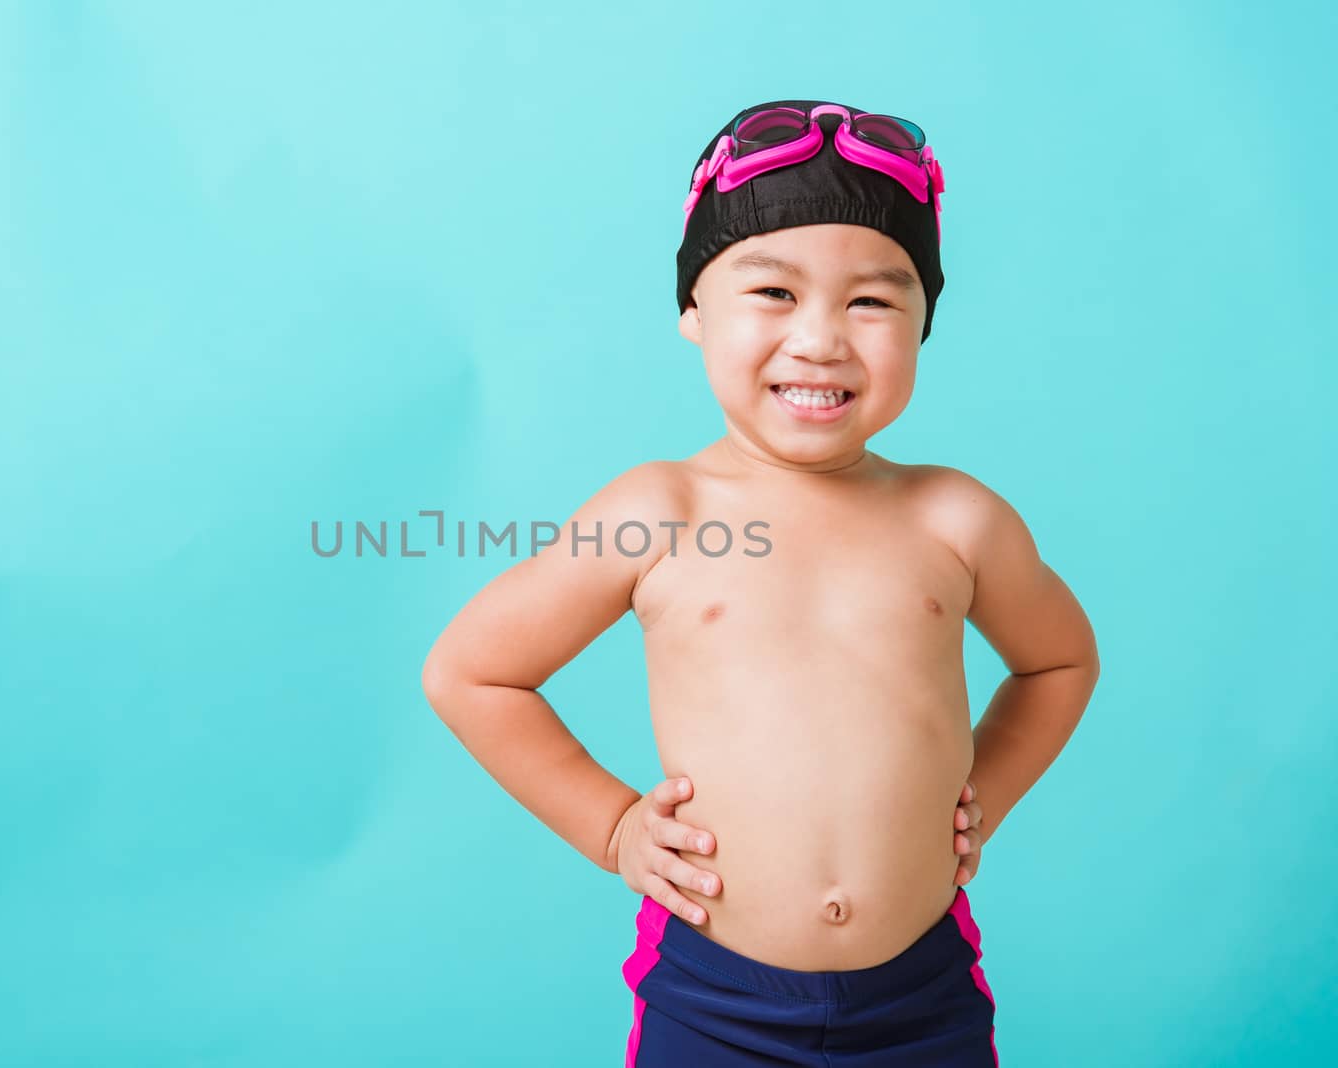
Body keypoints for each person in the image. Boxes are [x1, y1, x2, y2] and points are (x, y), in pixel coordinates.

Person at [420, 98, 1099, 1066]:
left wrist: (985, 788)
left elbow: (1059, 661)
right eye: (773, 294)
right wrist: (613, 828)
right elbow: (472, 673)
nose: (822, 338)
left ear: (922, 324)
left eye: (873, 300)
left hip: (923, 988)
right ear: (694, 312)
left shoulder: (955, 518)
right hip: (715, 990)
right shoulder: (661, 510)